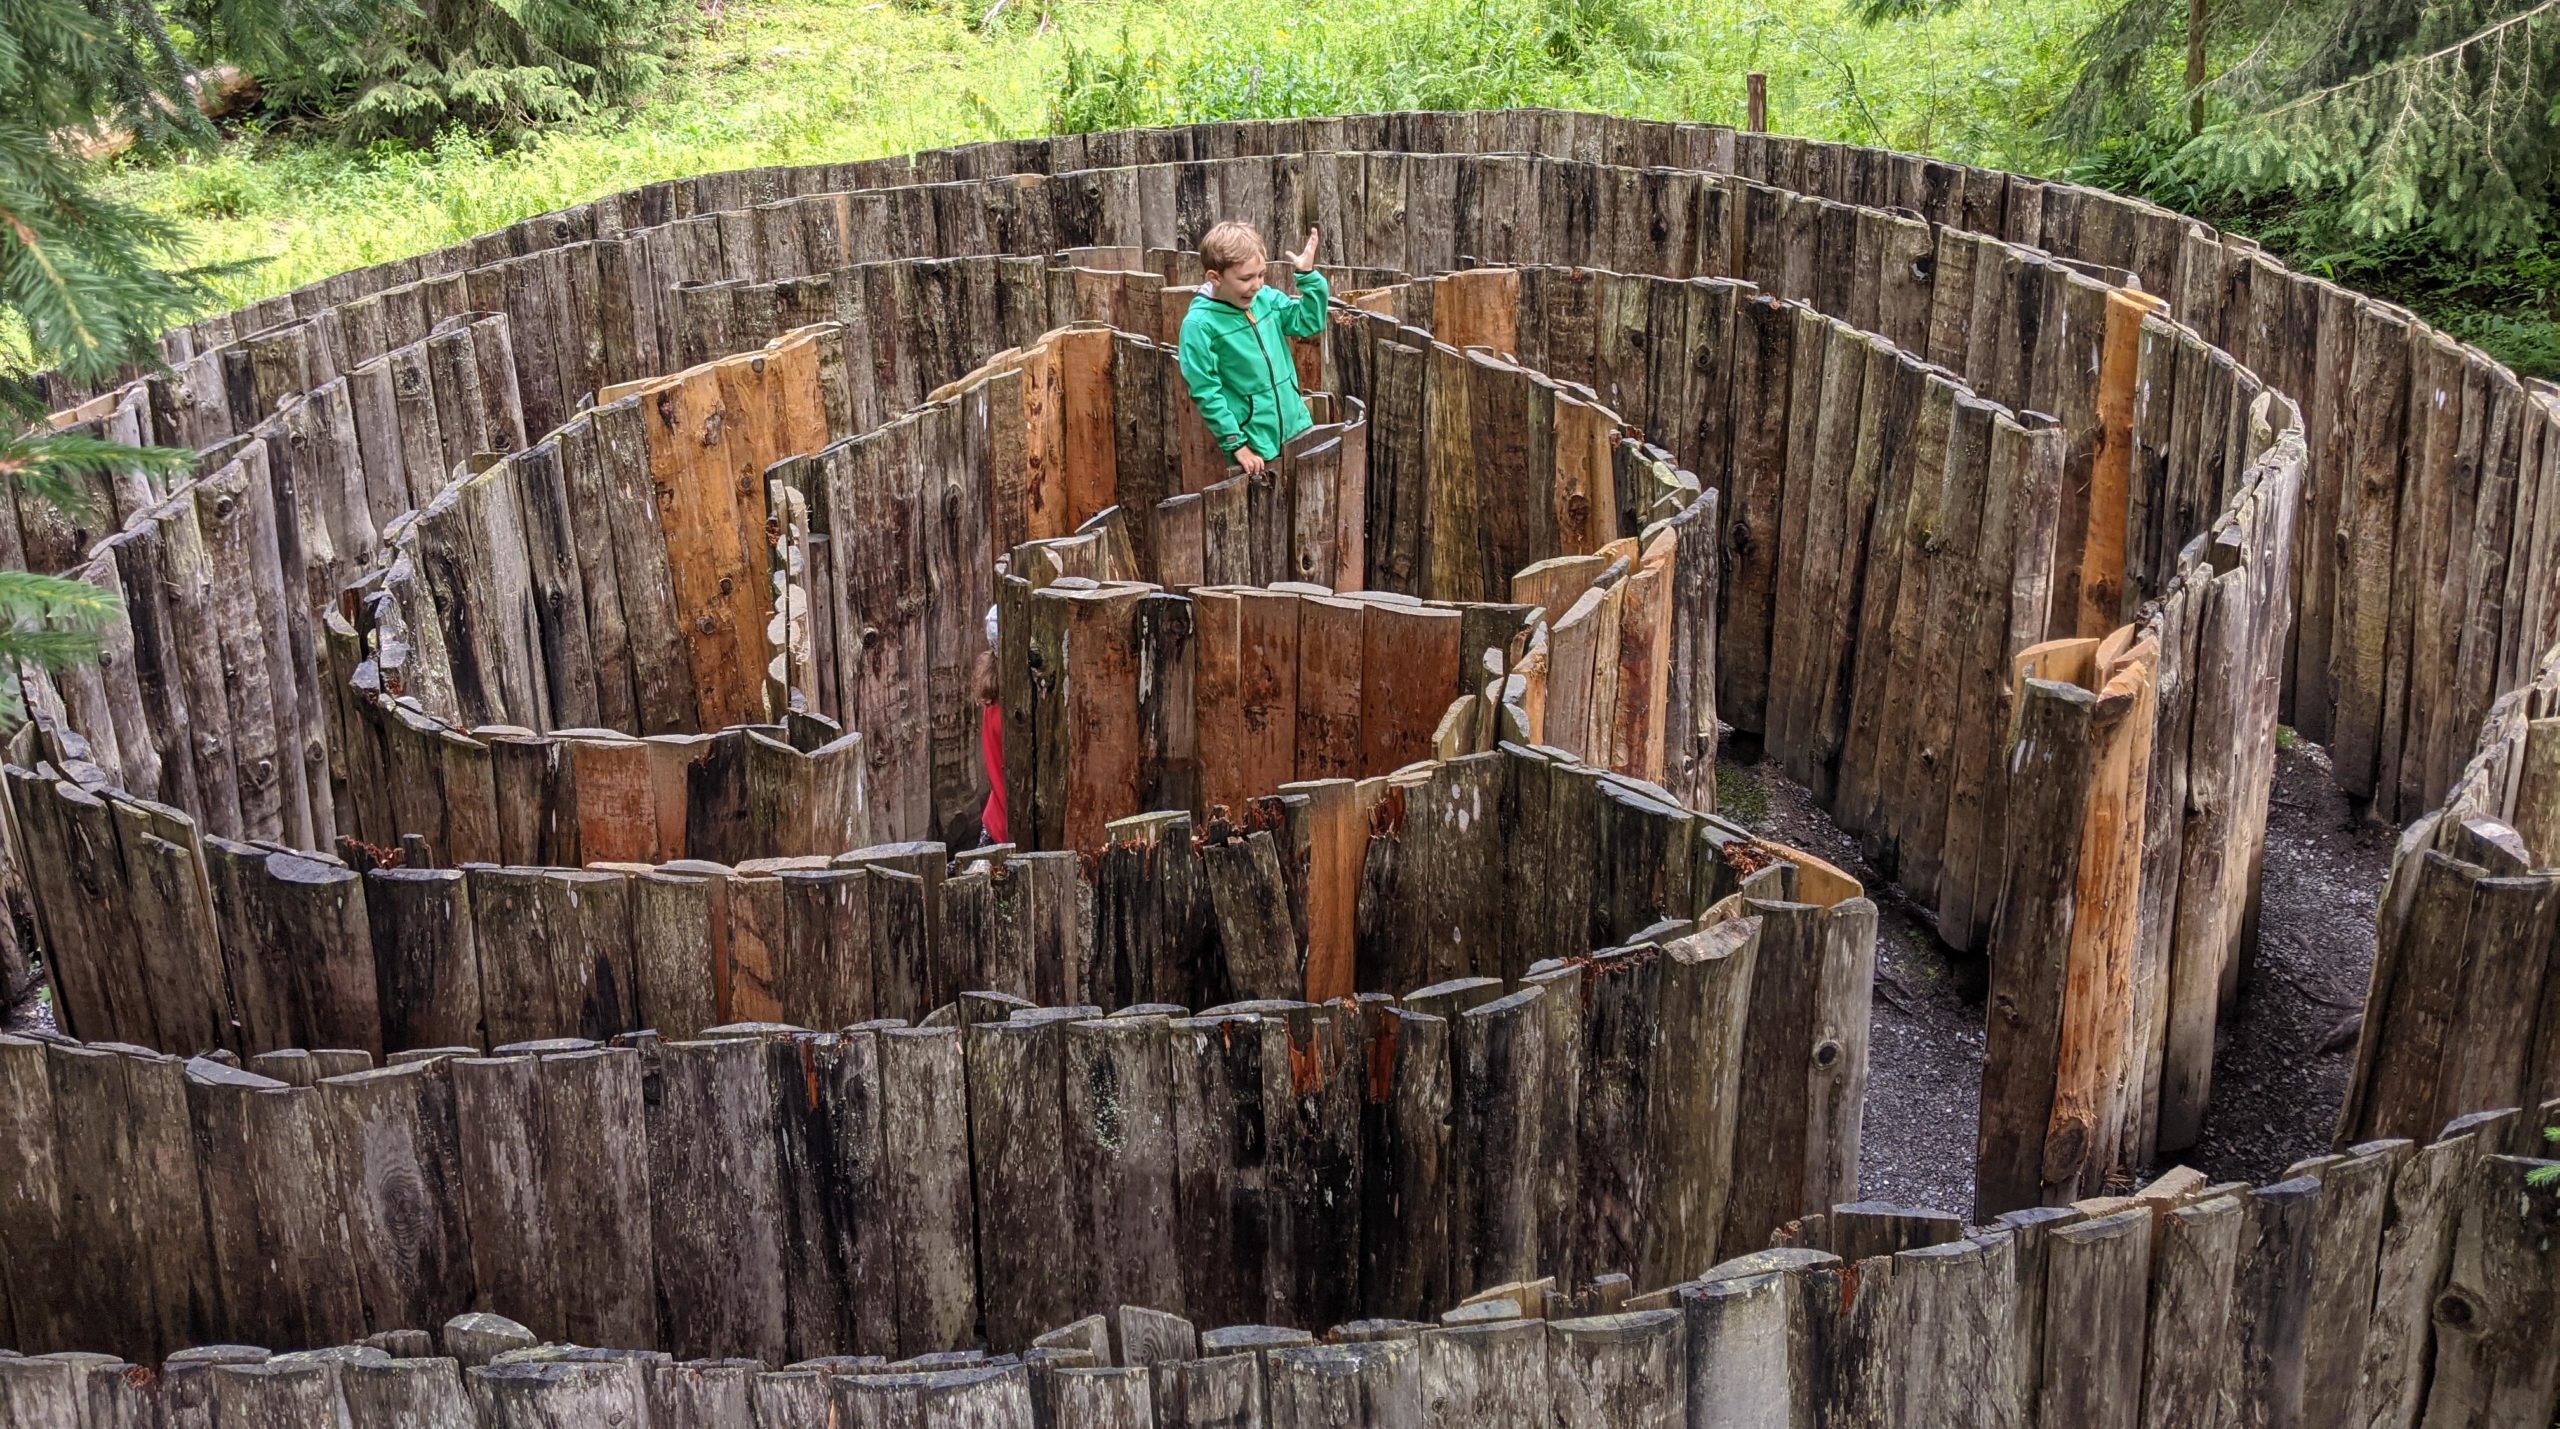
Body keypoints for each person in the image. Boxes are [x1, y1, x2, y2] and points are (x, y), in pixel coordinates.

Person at [1176, 222, 1329, 475]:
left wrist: (1308, 277)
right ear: (1215, 278)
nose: (1257, 284)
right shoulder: (1199, 325)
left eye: (1261, 275)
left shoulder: (1265, 299)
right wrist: (1236, 444)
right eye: (1246, 278)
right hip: (1254, 448)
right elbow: (1205, 391)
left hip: (1297, 428)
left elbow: (1308, 321)